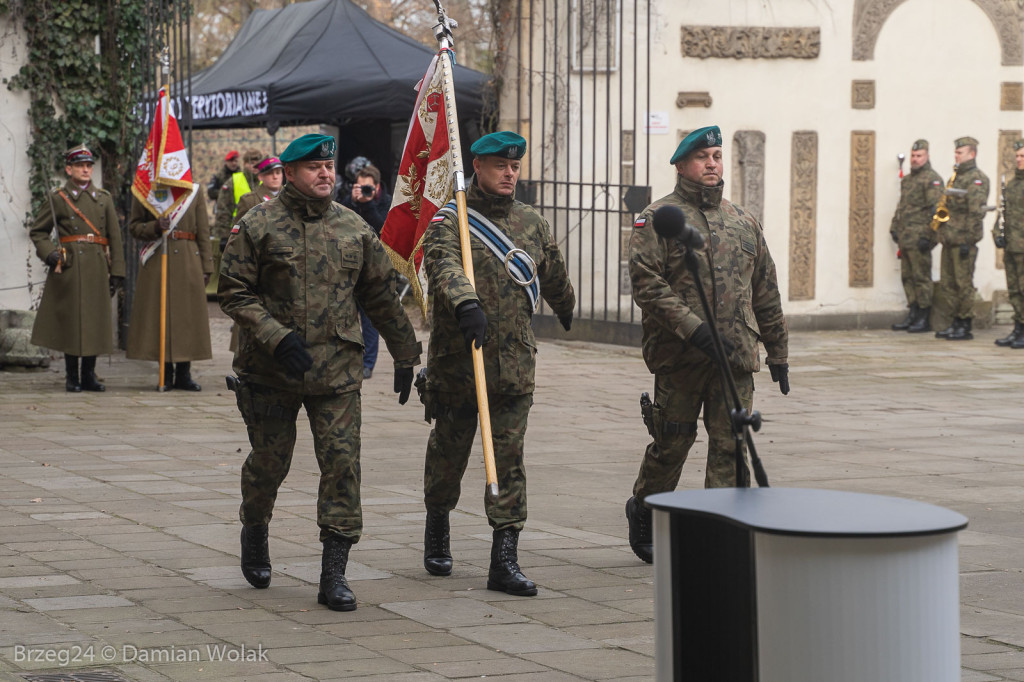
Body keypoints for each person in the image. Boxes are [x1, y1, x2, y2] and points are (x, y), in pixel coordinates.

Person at [219, 133, 421, 612]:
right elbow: (233, 291)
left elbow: (380, 297)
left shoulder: (353, 228)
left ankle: (334, 572)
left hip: (337, 372)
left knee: (342, 466)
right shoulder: (258, 225)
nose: (326, 174)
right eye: (313, 167)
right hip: (271, 371)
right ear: (289, 173)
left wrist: (406, 354)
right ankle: (255, 527)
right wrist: (275, 335)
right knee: (271, 462)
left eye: (329, 166)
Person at [419, 131, 575, 596]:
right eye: (500, 166)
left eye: (515, 166)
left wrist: (565, 304)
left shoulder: (531, 222)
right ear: (478, 167)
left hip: (513, 369)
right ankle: (437, 524)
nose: (510, 173)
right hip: (459, 365)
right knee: (449, 456)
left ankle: (504, 558)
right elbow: (442, 266)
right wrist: (466, 303)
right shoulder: (452, 220)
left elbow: (551, 269)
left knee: (508, 460)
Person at [624, 125, 789, 564]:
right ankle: (646, 509)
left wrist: (778, 350)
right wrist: (693, 328)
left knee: (730, 446)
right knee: (672, 442)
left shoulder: (743, 221)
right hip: (679, 355)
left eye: (716, 155)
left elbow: (765, 288)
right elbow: (647, 284)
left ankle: (721, 530)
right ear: (681, 165)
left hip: (735, 355)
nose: (712, 163)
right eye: (703, 157)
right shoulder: (657, 219)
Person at [29, 144, 126, 392]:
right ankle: (72, 376)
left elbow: (115, 238)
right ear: (68, 168)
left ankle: (89, 375)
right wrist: (49, 253)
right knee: (72, 321)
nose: (85, 170)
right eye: (80, 166)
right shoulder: (58, 199)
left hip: (96, 265)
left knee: (94, 320)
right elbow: (38, 231)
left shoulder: (103, 198)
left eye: (89, 165)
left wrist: (117, 271)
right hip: (69, 266)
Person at [125, 194, 213, 390]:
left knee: (187, 318)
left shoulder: (193, 192)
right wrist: (154, 227)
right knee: (160, 317)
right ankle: (165, 373)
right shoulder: (146, 190)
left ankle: (184, 373)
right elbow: (134, 227)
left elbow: (203, 231)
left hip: (188, 258)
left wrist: (207, 266)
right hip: (158, 256)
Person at [226, 156, 286, 354]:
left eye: (278, 172)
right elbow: (237, 235)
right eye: (270, 173)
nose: (276, 177)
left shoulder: (290, 197)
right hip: (259, 263)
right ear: (261, 176)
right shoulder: (250, 200)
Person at [339, 162, 391, 379]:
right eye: (360, 187)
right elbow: (337, 223)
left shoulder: (386, 203)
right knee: (345, 319)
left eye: (368, 187)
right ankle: (346, 361)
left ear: (377, 187)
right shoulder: (347, 202)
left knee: (370, 322)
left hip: (373, 272)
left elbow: (383, 231)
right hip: (347, 270)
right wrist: (352, 201)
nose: (365, 191)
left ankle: (367, 364)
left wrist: (368, 205)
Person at [935, 137, 990, 341]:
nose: (956, 156)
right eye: (956, 152)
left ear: (972, 154)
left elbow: (976, 213)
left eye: (960, 152)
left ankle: (964, 323)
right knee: (948, 283)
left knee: (963, 283)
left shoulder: (977, 178)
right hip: (949, 238)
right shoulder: (956, 176)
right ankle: (953, 321)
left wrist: (968, 240)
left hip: (963, 240)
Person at [889, 140, 944, 333]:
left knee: (922, 278)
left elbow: (937, 210)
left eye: (919, 155)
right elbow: (902, 206)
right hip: (906, 237)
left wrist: (929, 236)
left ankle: (923, 316)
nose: (915, 159)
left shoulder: (932, 179)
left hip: (921, 237)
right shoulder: (909, 180)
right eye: (913, 155)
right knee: (908, 277)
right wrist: (894, 227)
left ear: (927, 156)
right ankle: (912, 312)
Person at [994, 139, 1024, 349]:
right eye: (1018, 156)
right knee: (1014, 290)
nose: (1019, 160)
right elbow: (1002, 212)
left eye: (1023, 156)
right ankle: (1019, 327)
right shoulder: (1012, 183)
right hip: (1012, 246)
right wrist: (998, 232)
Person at [214, 148, 261, 250]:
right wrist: (224, 236)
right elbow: (223, 210)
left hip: (262, 234)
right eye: (252, 163)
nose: (255, 167)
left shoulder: (266, 181)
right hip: (239, 234)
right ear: (244, 164)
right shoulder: (233, 182)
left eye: (258, 163)